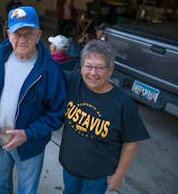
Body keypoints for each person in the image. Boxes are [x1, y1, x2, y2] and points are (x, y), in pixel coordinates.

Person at [0, 6, 67, 194]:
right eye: (17, 33)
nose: (22, 39)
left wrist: (28, 134)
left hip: (30, 146)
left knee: (27, 189)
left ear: (38, 35)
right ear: (8, 34)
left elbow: (57, 114)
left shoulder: (51, 71)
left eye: (28, 33)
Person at [59, 40, 150, 194]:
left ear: (110, 70)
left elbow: (131, 143)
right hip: (70, 167)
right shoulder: (73, 82)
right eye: (88, 66)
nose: (93, 73)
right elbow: (44, 72)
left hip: (98, 176)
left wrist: (119, 175)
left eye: (100, 67)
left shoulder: (123, 104)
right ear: (81, 67)